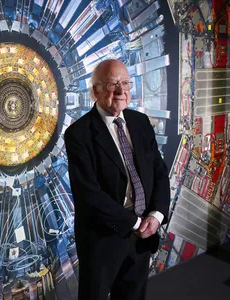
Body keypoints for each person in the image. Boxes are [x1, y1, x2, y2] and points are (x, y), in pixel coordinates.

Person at [64, 59, 170, 300]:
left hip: (143, 234)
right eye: (113, 84)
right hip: (103, 240)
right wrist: (134, 223)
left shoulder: (140, 122)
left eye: (125, 83)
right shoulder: (78, 134)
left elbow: (159, 172)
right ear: (96, 91)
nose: (122, 91)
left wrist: (156, 216)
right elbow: (88, 195)